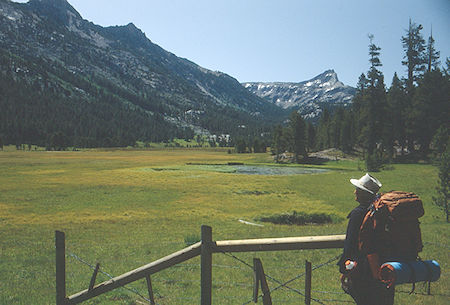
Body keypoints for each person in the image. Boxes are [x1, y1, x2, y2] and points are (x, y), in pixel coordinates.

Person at [337, 173, 395, 305]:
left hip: (364, 271)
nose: (354, 192)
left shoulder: (358, 213)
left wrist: (343, 268)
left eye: (357, 189)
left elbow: (350, 245)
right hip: (387, 268)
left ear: (363, 193)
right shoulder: (384, 210)